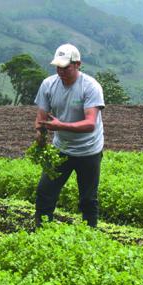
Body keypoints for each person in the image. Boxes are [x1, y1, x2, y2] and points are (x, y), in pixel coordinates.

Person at [33, 43, 105, 228]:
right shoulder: (48, 84)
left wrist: (60, 126)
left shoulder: (90, 87)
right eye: (58, 67)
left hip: (89, 150)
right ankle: (42, 231)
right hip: (61, 148)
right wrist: (40, 135)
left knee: (88, 198)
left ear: (78, 64)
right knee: (45, 192)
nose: (61, 71)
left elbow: (90, 124)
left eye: (65, 67)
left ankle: (90, 234)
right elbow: (41, 117)